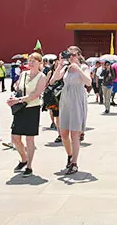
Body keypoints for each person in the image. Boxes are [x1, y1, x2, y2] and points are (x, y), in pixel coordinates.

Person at [50, 46, 91, 175]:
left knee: (74, 134)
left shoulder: (84, 67)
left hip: (77, 100)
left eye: (73, 54)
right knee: (63, 133)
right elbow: (52, 80)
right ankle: (70, 155)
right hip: (66, 100)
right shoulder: (65, 68)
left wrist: (78, 68)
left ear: (78, 55)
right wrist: (60, 64)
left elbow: (88, 82)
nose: (71, 57)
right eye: (69, 54)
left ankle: (74, 163)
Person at [6, 53, 47, 177]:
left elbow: (35, 94)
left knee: (29, 139)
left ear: (40, 63)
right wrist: (14, 95)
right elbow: (17, 87)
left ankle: (29, 165)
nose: (31, 63)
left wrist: (18, 100)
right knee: (15, 138)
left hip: (32, 109)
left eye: (34, 61)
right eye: (29, 60)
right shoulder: (23, 74)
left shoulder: (42, 77)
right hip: (20, 109)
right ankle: (23, 158)